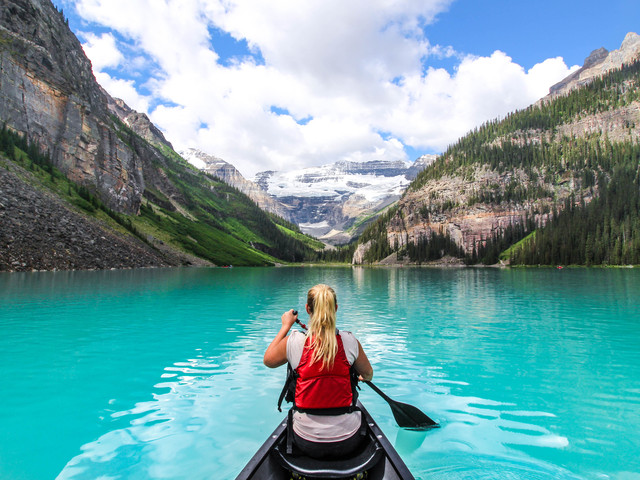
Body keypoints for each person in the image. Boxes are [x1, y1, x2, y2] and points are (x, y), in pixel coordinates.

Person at [263, 284, 374, 459]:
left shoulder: (294, 341)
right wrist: (361, 376)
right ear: (335, 309)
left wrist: (286, 326)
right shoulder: (349, 341)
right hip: (348, 440)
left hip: (305, 440)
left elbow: (268, 360)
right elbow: (368, 374)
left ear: (308, 309)